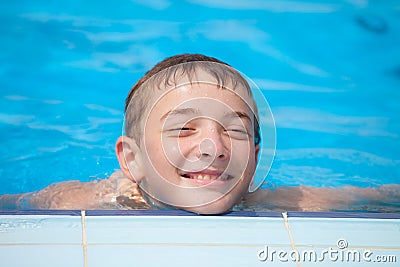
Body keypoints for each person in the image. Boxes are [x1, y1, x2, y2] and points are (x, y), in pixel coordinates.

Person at [0, 54, 399, 214]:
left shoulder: (283, 201)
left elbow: (379, 199)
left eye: (236, 130)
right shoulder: (87, 200)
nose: (214, 147)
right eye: (184, 128)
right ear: (131, 159)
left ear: (257, 158)